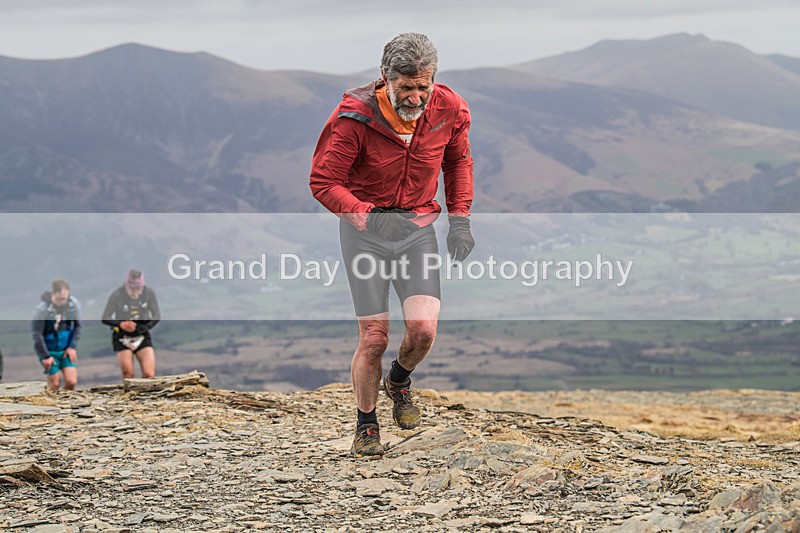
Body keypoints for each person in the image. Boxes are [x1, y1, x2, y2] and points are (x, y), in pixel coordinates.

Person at [310, 33, 475, 457]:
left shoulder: (450, 108)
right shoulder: (354, 117)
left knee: (423, 330)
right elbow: (323, 182)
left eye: (423, 86)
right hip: (365, 234)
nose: (416, 97)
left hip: (416, 230)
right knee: (374, 338)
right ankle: (366, 426)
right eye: (406, 87)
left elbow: (458, 162)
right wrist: (370, 216)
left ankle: (398, 380)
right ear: (385, 77)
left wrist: (460, 219)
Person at [101, 269, 161, 380]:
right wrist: (120, 324)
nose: (134, 291)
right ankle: (128, 391)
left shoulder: (148, 294)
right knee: (128, 373)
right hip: (122, 337)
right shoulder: (117, 295)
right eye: (132, 289)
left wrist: (147, 327)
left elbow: (156, 315)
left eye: (137, 289)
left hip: (142, 335)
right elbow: (105, 317)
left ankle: (144, 391)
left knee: (149, 374)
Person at [32, 279, 82, 391]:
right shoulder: (42, 310)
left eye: (65, 298)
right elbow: (37, 334)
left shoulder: (73, 305)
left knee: (71, 381)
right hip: (49, 350)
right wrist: (45, 356)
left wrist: (72, 346)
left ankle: (64, 400)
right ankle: (53, 401)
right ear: (53, 294)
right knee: (55, 382)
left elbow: (78, 326)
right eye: (60, 299)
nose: (63, 302)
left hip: (66, 349)